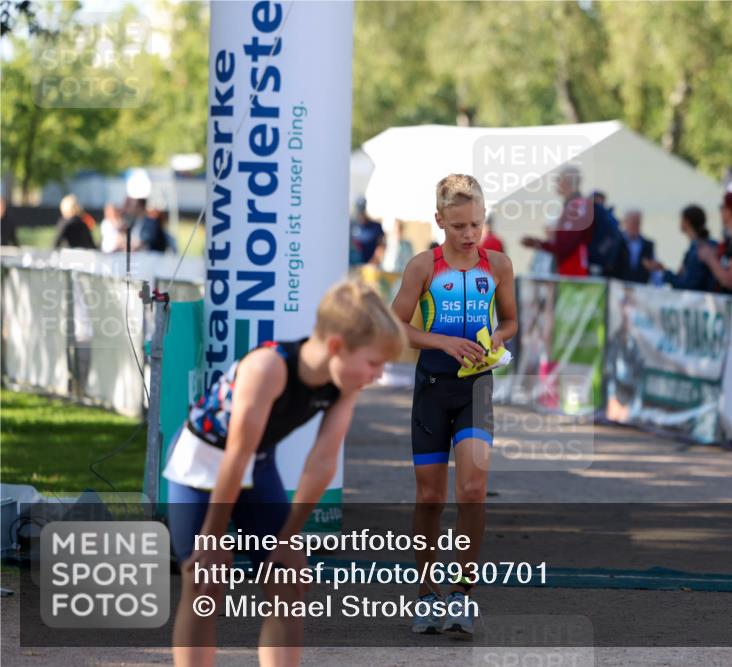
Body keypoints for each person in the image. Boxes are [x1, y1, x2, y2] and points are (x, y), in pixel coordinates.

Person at [163, 279, 406, 667]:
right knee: (205, 581)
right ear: (337, 347)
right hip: (203, 462)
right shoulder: (267, 368)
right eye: (375, 363)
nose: (378, 375)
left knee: (289, 579)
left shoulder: (346, 380)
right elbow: (234, 454)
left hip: (255, 465)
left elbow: (322, 462)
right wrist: (211, 538)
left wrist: (288, 539)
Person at [391, 174, 518, 636]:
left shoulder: (499, 265)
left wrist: (497, 339)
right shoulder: (423, 266)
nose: (469, 235)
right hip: (432, 386)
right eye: (459, 225)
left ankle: (464, 593)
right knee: (430, 496)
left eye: (476, 224)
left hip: (476, 388)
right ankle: (426, 594)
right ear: (440, 220)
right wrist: (442, 342)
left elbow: (510, 319)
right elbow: (396, 326)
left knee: (472, 491)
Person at [520, 166, 593, 277]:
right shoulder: (572, 205)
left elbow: (565, 245)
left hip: (573, 270)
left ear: (569, 182)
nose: (557, 184)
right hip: (569, 269)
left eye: (559, 180)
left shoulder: (577, 206)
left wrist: (540, 243)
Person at [650, 205, 717, 291]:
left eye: (681, 219)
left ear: (687, 221)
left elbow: (688, 285)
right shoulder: (700, 246)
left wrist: (665, 273)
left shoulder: (699, 249)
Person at [612, 209, 655, 283]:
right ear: (625, 222)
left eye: (638, 223)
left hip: (640, 287)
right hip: (618, 286)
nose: (636, 226)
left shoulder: (648, 245)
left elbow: (653, 270)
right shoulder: (615, 241)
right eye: (633, 222)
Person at [351, 197, 385, 265]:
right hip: (353, 266)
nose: (360, 214)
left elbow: (381, 246)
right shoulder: (351, 226)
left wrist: (373, 262)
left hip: (371, 267)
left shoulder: (376, 227)